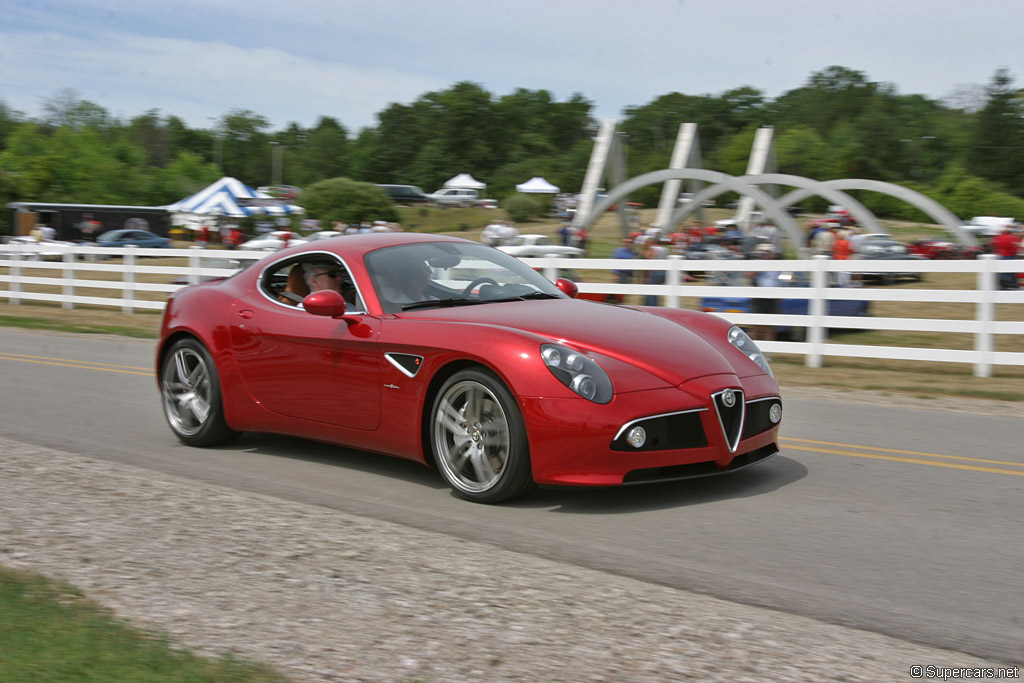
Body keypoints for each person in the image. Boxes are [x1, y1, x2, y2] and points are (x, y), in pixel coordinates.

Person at [749, 249, 782, 342]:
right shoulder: (758, 263)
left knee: (769, 326)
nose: (768, 254)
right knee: (755, 325)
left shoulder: (776, 266)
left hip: (771, 298)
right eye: (765, 253)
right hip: (759, 296)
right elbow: (750, 275)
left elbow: (777, 281)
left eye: (769, 252)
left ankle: (768, 352)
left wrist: (779, 295)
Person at [609, 237, 635, 304]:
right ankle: (618, 303)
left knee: (626, 291)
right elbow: (614, 263)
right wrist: (615, 274)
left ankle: (622, 303)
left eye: (630, 242)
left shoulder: (632, 253)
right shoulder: (618, 251)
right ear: (623, 243)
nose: (628, 244)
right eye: (626, 242)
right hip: (621, 273)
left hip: (628, 274)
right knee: (619, 291)